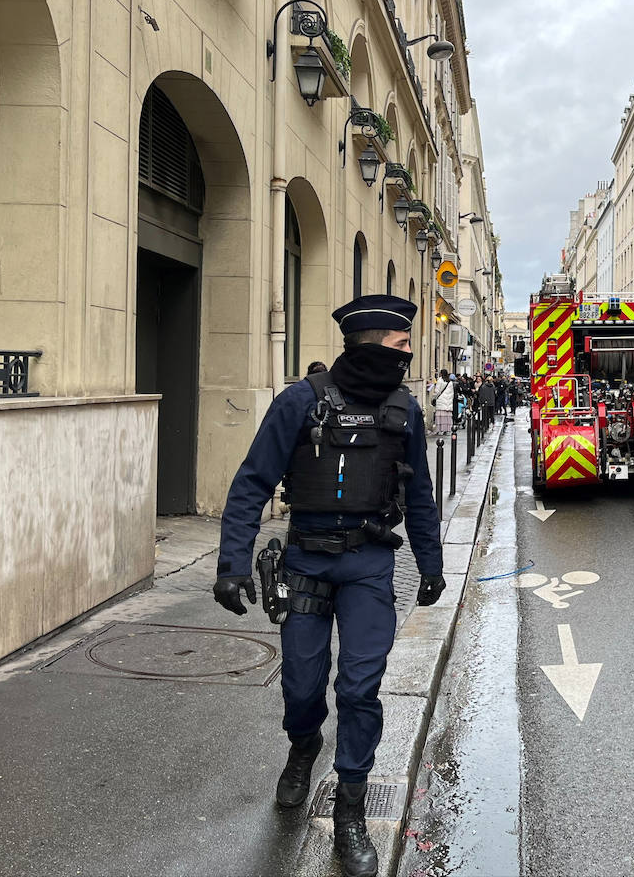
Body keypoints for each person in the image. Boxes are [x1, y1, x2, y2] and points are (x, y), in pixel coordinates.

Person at [213, 294, 446, 877]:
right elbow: (251, 482)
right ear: (369, 344)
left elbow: (418, 496)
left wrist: (432, 562)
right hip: (306, 562)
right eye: (400, 346)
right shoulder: (300, 402)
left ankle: (350, 810)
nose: (409, 353)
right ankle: (302, 745)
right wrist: (231, 562)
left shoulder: (405, 411)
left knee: (361, 688)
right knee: (301, 685)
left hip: (369, 563)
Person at [429, 369, 454, 435]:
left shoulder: (440, 380)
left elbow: (437, 391)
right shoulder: (450, 382)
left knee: (440, 416)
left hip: (441, 401)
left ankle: (439, 429)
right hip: (448, 402)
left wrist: (433, 397)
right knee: (446, 416)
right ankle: (446, 430)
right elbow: (452, 393)